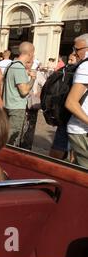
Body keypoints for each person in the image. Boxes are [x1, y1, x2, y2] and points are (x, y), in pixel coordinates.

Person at [3, 42, 37, 147]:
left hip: (7, 105)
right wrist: (32, 79)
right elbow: (24, 91)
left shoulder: (11, 65)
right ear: (30, 54)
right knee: (13, 138)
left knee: (6, 135)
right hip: (16, 107)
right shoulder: (19, 67)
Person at [65, 33, 88, 168]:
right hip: (82, 131)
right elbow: (71, 103)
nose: (74, 53)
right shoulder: (85, 66)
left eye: (76, 49)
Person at [49, 53, 78, 161]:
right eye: (69, 59)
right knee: (61, 150)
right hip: (69, 116)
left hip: (65, 115)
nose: (69, 62)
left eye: (71, 59)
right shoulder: (73, 72)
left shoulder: (66, 71)